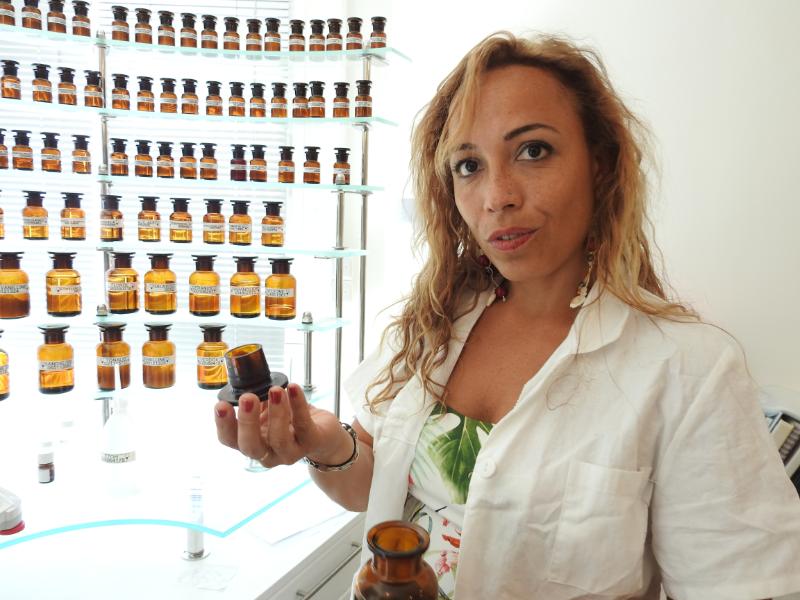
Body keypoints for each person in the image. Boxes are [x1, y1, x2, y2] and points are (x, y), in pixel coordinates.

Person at [214, 32, 800, 599]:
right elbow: (370, 486)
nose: (497, 197)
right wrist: (321, 442)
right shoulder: (432, 320)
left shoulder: (690, 370)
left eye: (533, 150)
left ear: (600, 164)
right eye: (469, 165)